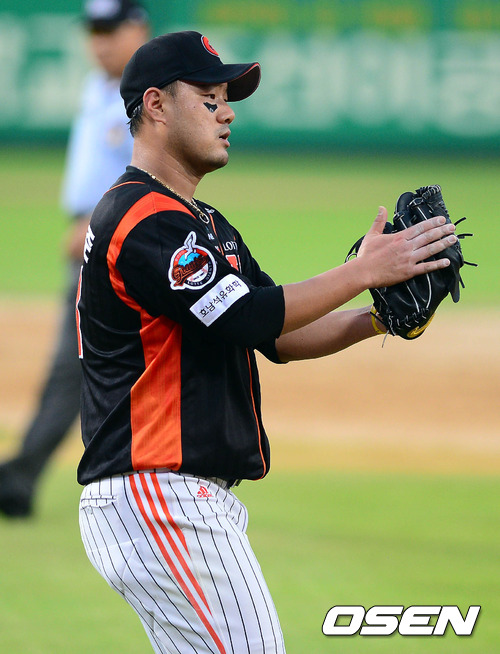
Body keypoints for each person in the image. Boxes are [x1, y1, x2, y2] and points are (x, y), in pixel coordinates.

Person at [76, 31, 458, 654]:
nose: (227, 113)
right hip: (159, 495)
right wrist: (364, 271)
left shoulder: (202, 223)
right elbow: (249, 317)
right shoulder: (140, 216)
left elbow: (278, 334)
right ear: (156, 105)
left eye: (227, 100)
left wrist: (377, 318)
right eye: (209, 98)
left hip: (172, 499)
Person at [0, 0, 149, 518]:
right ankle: (24, 475)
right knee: (90, 366)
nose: (99, 42)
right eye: (93, 31)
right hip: (93, 236)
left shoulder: (146, 95)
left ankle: (20, 478)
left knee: (80, 365)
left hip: (113, 242)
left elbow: (152, 168)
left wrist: (96, 221)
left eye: (110, 29)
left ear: (138, 27)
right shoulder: (98, 87)